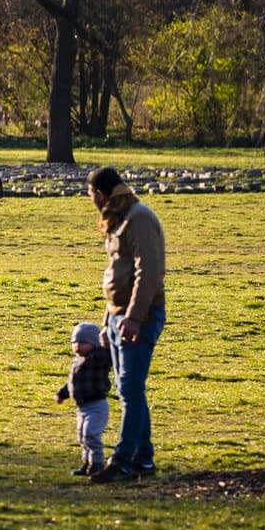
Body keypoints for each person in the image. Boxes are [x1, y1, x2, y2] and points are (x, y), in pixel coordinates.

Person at [87, 166, 166, 483]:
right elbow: (117, 275)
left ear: (101, 193)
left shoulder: (138, 219)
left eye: (90, 193)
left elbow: (148, 272)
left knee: (131, 390)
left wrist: (133, 318)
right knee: (126, 389)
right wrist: (108, 320)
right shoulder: (119, 219)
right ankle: (143, 459)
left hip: (140, 316)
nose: (89, 199)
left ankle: (122, 460)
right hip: (120, 315)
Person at [56, 321, 113, 477]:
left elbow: (108, 356)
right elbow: (71, 383)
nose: (77, 346)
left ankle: (97, 463)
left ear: (93, 343)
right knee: (82, 436)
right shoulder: (76, 362)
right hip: (82, 407)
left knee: (91, 434)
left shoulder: (97, 358)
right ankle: (87, 462)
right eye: (74, 342)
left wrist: (105, 344)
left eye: (82, 343)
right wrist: (62, 394)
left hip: (97, 405)